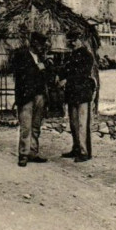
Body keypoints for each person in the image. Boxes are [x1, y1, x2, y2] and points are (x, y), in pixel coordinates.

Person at [12, 32, 51, 167]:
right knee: (26, 126)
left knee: (36, 126)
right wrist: (38, 68)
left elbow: (46, 75)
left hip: (39, 95)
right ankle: (23, 154)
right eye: (40, 44)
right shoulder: (21, 55)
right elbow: (22, 74)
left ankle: (33, 152)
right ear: (33, 43)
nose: (41, 47)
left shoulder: (41, 58)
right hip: (26, 96)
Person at [60, 30, 97, 163]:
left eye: (75, 40)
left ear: (80, 40)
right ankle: (76, 148)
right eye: (71, 41)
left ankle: (84, 152)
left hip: (82, 93)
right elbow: (65, 70)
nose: (73, 43)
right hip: (72, 94)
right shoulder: (70, 56)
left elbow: (82, 74)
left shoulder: (87, 56)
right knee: (74, 123)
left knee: (82, 124)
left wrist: (67, 79)